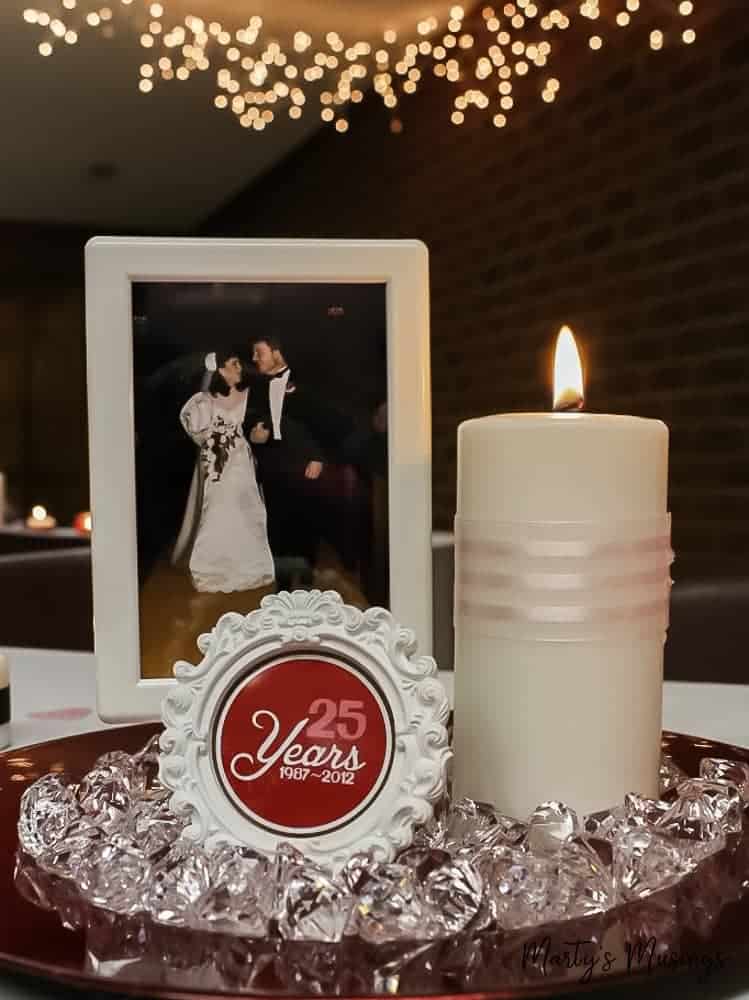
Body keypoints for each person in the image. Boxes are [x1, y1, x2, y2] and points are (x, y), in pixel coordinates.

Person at [245, 334, 346, 588]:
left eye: (260, 352)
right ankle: (282, 582)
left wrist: (318, 457)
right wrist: (254, 435)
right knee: (276, 521)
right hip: (272, 461)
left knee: (305, 519)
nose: (254, 358)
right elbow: (248, 420)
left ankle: (306, 577)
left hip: (303, 461)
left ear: (276, 353)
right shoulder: (255, 386)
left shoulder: (308, 380)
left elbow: (323, 421)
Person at [172, 351, 274, 593]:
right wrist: (211, 440)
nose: (240, 367)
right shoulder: (204, 400)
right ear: (220, 370)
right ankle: (211, 567)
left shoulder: (250, 394)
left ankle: (249, 565)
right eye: (234, 364)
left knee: (246, 508)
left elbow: (255, 425)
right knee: (215, 509)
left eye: (239, 363)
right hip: (214, 462)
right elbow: (194, 428)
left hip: (241, 461)